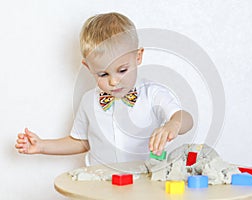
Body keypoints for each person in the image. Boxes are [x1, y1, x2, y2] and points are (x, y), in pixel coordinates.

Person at [15, 12, 193, 165]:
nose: (114, 82)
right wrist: (42, 146)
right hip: (100, 186)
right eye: (102, 74)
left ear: (138, 57)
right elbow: (81, 142)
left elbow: (185, 119)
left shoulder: (153, 94)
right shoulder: (88, 101)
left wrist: (173, 124)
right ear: (88, 67)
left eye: (122, 70)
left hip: (144, 185)